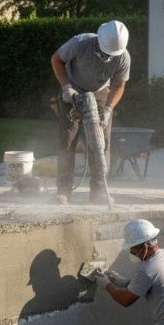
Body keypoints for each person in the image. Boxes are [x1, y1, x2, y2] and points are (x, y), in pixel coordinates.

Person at [50, 20, 130, 204]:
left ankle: (99, 193)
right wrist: (66, 87)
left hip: (100, 94)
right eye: (105, 52)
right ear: (99, 41)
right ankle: (63, 191)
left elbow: (119, 85)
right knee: (67, 140)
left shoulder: (123, 57)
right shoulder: (80, 43)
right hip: (73, 92)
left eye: (111, 54)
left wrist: (109, 108)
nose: (108, 56)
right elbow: (56, 59)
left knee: (101, 144)